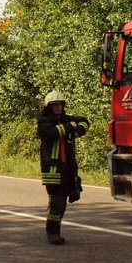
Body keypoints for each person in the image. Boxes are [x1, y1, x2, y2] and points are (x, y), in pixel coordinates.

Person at [37, 90, 88, 245]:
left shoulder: (66, 119)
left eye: (60, 105)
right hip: (53, 169)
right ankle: (52, 232)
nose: (58, 108)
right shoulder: (44, 121)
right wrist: (69, 127)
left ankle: (56, 230)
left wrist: (78, 129)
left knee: (65, 199)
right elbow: (51, 133)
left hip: (68, 168)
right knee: (56, 202)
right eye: (55, 105)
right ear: (49, 107)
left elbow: (84, 121)